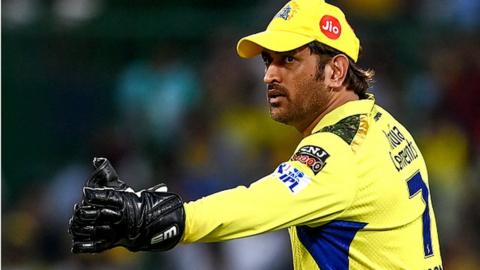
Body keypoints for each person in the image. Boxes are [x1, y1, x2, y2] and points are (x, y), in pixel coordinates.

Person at [69, 0, 444, 269]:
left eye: (288, 60)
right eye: (268, 61)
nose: (269, 75)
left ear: (335, 71)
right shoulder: (383, 124)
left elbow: (262, 202)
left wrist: (167, 218)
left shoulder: (339, 148)